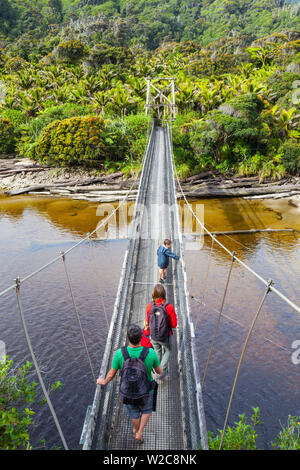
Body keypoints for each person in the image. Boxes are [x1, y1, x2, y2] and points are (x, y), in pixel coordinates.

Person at [96, 324, 161, 444]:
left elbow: (111, 373)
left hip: (128, 392)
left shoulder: (120, 354)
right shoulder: (150, 352)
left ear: (128, 337)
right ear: (141, 337)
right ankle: (140, 432)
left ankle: (136, 430)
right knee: (147, 410)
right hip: (147, 391)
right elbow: (159, 371)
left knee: (134, 414)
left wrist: (104, 381)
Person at [146, 284, 177, 381]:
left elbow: (147, 320)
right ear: (164, 294)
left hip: (153, 336)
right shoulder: (169, 307)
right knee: (168, 350)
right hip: (165, 336)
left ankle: (156, 370)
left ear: (153, 295)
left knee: (157, 351)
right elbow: (174, 324)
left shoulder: (150, 306)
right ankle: (162, 371)